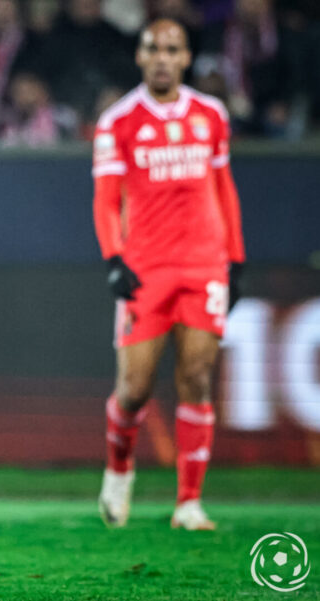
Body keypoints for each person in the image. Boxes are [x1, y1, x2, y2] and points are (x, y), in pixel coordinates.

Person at [92, 19, 245, 531]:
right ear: (139, 56)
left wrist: (236, 258)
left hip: (204, 264)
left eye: (172, 49)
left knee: (197, 377)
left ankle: (188, 503)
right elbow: (106, 200)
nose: (162, 57)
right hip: (146, 268)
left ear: (185, 59)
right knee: (134, 389)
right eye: (153, 48)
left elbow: (223, 189)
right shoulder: (118, 121)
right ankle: (118, 471)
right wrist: (115, 259)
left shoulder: (211, 114)